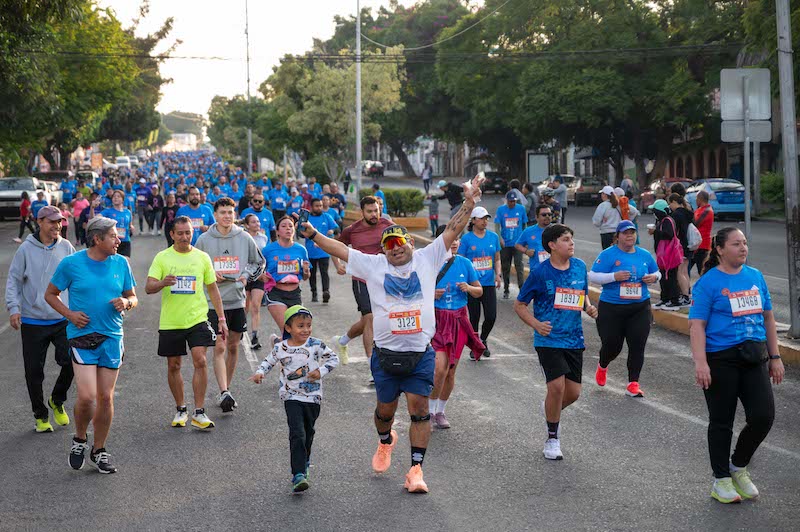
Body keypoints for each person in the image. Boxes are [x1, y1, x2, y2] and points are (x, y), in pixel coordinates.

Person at [297, 174, 483, 494]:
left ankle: (415, 471)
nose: (395, 248)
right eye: (389, 245)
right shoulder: (374, 265)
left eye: (400, 242)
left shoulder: (427, 258)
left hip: (420, 354)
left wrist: (469, 203)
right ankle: (385, 441)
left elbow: (453, 229)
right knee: (385, 412)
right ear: (383, 251)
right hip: (385, 357)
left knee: (419, 411)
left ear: (411, 243)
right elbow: (340, 249)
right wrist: (312, 233)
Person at [689, 227, 784, 504]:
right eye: (735, 244)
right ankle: (721, 480)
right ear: (719, 249)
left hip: (754, 357)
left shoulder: (755, 276)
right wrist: (701, 363)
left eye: (744, 243)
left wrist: (775, 356)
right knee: (722, 422)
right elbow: (697, 326)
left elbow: (768, 318)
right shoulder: (708, 283)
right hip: (721, 359)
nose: (743, 248)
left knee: (763, 416)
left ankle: (738, 466)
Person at [45, 216, 138, 474]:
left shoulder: (121, 263)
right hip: (82, 336)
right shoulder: (71, 263)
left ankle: (99, 450)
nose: (119, 240)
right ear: (97, 239)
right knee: (87, 397)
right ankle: (79, 439)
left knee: (105, 397)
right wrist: (70, 315)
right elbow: (50, 294)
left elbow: (133, 296)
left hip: (112, 336)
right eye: (113, 236)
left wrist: (127, 302)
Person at [513, 224, 598, 461]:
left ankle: (550, 409)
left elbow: (582, 294)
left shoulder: (579, 266)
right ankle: (552, 439)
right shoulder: (540, 272)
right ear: (552, 245)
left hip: (574, 338)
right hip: (548, 339)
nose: (571, 243)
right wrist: (536, 324)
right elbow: (519, 305)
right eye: (566, 240)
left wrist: (588, 307)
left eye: (572, 239)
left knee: (573, 393)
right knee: (557, 388)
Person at [145, 216, 228, 430]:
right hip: (171, 321)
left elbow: (213, 289)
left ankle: (199, 412)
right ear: (172, 234)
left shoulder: (202, 257)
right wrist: (163, 283)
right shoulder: (162, 258)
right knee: (174, 365)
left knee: (200, 360)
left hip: (197, 319)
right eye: (180, 233)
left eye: (188, 232)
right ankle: (181, 408)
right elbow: (148, 287)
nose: (184, 237)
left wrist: (221, 319)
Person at [249, 305, 339, 493]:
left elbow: (333, 359)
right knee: (297, 433)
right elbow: (268, 361)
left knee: (308, 432)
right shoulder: (280, 348)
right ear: (288, 328)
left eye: (308, 325)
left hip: (313, 397)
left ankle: (304, 460)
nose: (306, 330)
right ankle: (298, 474)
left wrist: (320, 371)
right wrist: (259, 372)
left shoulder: (316, 344)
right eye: (300, 326)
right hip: (291, 396)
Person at [6, 206, 76, 433]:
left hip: (62, 317)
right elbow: (14, 280)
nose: (57, 226)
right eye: (52, 221)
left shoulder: (66, 247)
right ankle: (40, 415)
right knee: (34, 372)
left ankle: (57, 399)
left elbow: (76, 277)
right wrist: (14, 308)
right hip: (33, 320)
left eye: (60, 221)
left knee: (72, 361)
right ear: (40, 222)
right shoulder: (26, 249)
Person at [195, 197, 266, 413]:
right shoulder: (204, 240)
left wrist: (245, 276)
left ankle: (226, 389)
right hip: (213, 302)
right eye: (223, 212)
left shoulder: (243, 237)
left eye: (230, 212)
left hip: (237, 300)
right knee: (220, 346)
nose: (227, 216)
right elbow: (194, 265)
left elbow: (259, 262)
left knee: (233, 346)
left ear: (234, 215)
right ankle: (224, 390)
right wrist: (209, 275)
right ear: (215, 215)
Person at [589, 220, 660, 397]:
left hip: (640, 307)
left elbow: (657, 271)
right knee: (612, 345)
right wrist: (614, 276)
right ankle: (603, 365)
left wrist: (654, 278)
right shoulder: (608, 254)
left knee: (638, 345)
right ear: (618, 236)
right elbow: (593, 276)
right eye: (625, 233)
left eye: (632, 232)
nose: (629, 236)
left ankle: (633, 383)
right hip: (612, 308)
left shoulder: (644, 254)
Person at [430, 227, 484, 428]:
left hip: (459, 320)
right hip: (437, 319)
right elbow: (414, 292)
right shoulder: (430, 263)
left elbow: (479, 291)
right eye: (450, 238)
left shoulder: (465, 263)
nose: (454, 242)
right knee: (439, 369)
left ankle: (440, 411)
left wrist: (469, 288)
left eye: (457, 239)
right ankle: (429, 411)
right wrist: (431, 294)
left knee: (450, 371)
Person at [331, 196, 394, 367]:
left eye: (376, 211)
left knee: (370, 320)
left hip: (383, 279)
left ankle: (342, 341)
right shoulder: (352, 230)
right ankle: (372, 365)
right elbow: (335, 246)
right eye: (370, 211)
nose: (374, 214)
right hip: (362, 279)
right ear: (362, 212)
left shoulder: (387, 226)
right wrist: (338, 264)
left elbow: (403, 245)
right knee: (370, 318)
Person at [458, 207, 501, 359]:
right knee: (474, 317)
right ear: (473, 220)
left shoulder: (493, 237)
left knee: (491, 316)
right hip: (472, 285)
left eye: (486, 218)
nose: (485, 221)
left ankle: (482, 339)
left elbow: (497, 258)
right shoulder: (466, 239)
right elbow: (461, 261)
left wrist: (498, 274)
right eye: (481, 218)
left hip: (488, 284)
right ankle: (475, 345)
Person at [262, 216, 310, 345]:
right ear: (277, 231)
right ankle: (284, 353)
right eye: (284, 226)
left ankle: (277, 342)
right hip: (276, 293)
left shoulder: (301, 249)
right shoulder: (268, 250)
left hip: (295, 293)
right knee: (287, 330)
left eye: (290, 226)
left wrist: (306, 271)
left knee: (297, 333)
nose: (288, 229)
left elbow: (305, 277)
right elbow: (258, 269)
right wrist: (262, 276)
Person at [649, 199, 683, 311]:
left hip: (669, 255)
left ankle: (674, 300)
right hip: (664, 255)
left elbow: (669, 234)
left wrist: (655, 232)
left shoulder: (667, 221)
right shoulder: (662, 221)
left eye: (654, 211)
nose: (653, 213)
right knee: (664, 277)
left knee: (670, 277)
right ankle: (665, 298)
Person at [243, 214, 270, 350]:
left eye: (258, 221)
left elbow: (265, 257)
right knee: (245, 307)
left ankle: (255, 336)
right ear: (247, 225)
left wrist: (264, 272)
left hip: (259, 276)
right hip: (244, 275)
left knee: (256, 306)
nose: (257, 224)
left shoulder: (264, 238)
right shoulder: (242, 237)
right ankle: (240, 330)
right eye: (253, 222)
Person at [495, 192, 528, 299]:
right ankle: (506, 289)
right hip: (506, 243)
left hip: (517, 243)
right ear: (507, 201)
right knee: (506, 266)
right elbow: (497, 225)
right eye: (510, 201)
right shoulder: (501, 210)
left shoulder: (521, 209)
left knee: (519, 265)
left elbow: (524, 224)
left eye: (514, 201)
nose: (512, 203)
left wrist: (524, 240)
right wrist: (500, 238)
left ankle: (522, 289)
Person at [305, 198, 338, 303]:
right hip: (311, 251)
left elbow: (336, 228)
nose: (319, 208)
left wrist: (332, 230)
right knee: (312, 273)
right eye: (317, 206)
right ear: (311, 207)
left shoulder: (326, 217)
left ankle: (326, 291)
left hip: (324, 251)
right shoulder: (307, 219)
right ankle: (314, 293)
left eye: (320, 205)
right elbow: (301, 233)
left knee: (324, 272)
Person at [668, 193, 693, 307]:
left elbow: (674, 232)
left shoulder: (676, 215)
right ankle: (688, 295)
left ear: (674, 202)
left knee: (680, 272)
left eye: (670, 203)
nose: (669, 206)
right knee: (685, 272)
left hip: (680, 246)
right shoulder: (688, 213)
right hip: (689, 246)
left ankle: (685, 296)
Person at [100, 190, 134, 258]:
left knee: (125, 262)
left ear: (123, 199)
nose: (116, 198)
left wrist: (131, 227)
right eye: (114, 197)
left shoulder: (128, 212)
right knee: (113, 262)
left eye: (118, 196)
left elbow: (130, 224)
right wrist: (92, 208)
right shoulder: (108, 211)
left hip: (125, 241)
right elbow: (96, 218)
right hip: (112, 241)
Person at [691, 190, 714, 276]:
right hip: (696, 244)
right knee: (685, 268)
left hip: (702, 245)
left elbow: (695, 224)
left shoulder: (706, 211)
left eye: (697, 198)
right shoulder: (701, 209)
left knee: (702, 271)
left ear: (700, 199)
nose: (696, 200)